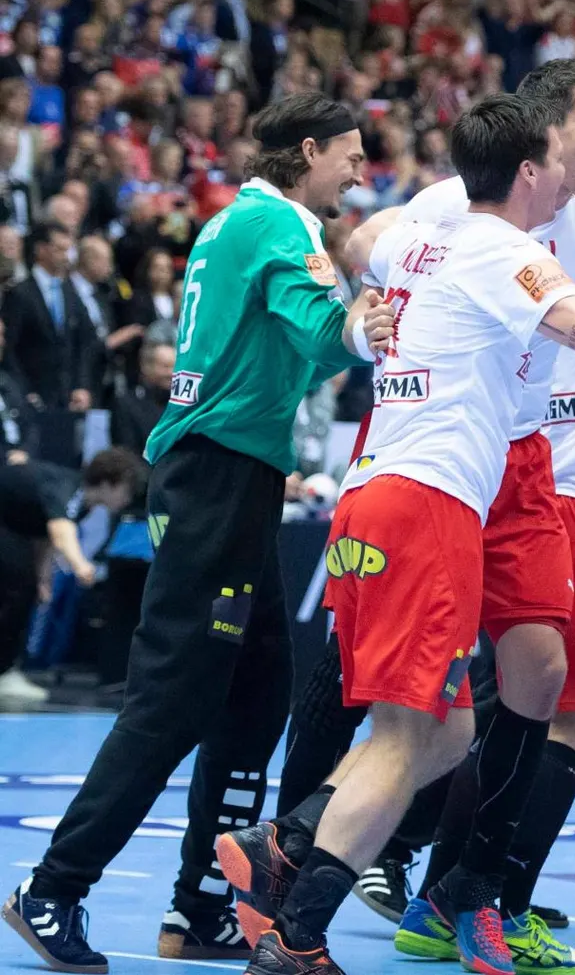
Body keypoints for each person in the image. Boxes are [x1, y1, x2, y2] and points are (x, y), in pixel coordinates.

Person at [223, 91, 575, 975]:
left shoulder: (419, 237)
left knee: (441, 731)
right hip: (426, 502)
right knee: (406, 737)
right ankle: (299, 930)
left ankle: (287, 848)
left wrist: (369, 318)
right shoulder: (504, 248)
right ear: (531, 170)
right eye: (560, 152)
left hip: (389, 488)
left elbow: (362, 244)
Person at [4, 93, 394, 973]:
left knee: (259, 690)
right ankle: (52, 888)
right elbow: (319, 329)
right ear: (308, 151)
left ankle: (202, 904)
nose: (360, 171)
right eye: (351, 155)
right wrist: (365, 327)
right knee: (173, 700)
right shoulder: (281, 224)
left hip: (236, 473)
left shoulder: (235, 221)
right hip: (214, 478)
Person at [0, 448, 142, 705]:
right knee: (15, 585)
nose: (127, 498)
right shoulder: (71, 489)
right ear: (110, 482)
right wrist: (80, 565)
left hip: (11, 524)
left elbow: (40, 533)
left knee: (24, 587)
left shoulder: (82, 507)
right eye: (126, 489)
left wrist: (43, 578)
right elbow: (59, 531)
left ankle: (5, 669)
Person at [1, 221, 99, 417]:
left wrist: (82, 385)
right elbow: (9, 348)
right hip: (31, 398)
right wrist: (23, 390)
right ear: (41, 250)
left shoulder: (70, 292)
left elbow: (86, 340)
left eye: (68, 250)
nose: (66, 257)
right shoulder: (20, 293)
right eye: (60, 249)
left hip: (68, 399)